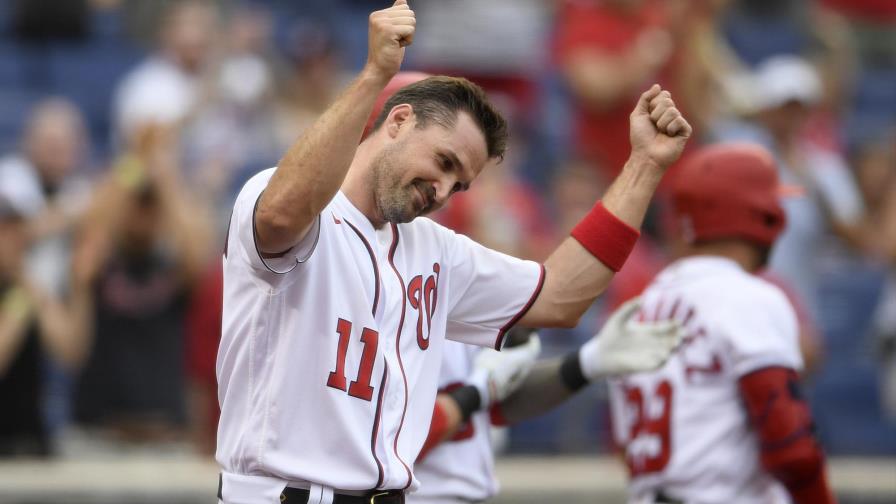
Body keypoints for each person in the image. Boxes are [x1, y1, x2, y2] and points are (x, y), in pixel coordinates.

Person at [216, 1, 692, 502]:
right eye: (443, 161)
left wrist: (643, 167)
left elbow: (560, 296)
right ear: (397, 122)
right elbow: (281, 216)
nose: (443, 191)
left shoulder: (434, 248)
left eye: (459, 183)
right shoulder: (287, 201)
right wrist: (374, 75)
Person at [604, 144, 835, 503]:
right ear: (762, 214)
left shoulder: (640, 306)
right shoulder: (749, 295)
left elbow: (623, 446)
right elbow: (792, 448)